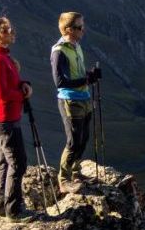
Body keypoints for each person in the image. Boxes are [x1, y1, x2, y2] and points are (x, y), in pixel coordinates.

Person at [0, 17, 37, 222]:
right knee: (18, 163)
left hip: (3, 116)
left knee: (4, 160)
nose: (13, 32)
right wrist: (24, 94)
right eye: (7, 30)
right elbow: (3, 93)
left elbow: (8, 84)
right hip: (4, 117)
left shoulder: (1, 56)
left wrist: (21, 83)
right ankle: (14, 211)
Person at [51, 12, 102, 188]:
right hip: (70, 101)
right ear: (67, 30)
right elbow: (60, 82)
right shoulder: (59, 51)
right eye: (79, 27)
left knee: (84, 137)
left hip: (84, 98)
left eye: (83, 26)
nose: (83, 30)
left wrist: (89, 75)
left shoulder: (76, 46)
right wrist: (86, 80)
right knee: (73, 140)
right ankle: (64, 179)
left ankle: (75, 172)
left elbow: (76, 74)